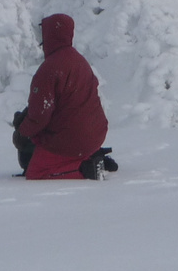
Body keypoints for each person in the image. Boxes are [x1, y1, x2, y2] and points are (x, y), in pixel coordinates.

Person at [12, 13, 116, 180]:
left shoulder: (49, 69)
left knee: (36, 173)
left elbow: (39, 116)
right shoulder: (79, 61)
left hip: (73, 139)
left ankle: (85, 169)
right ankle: (94, 158)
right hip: (95, 135)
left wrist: (22, 130)